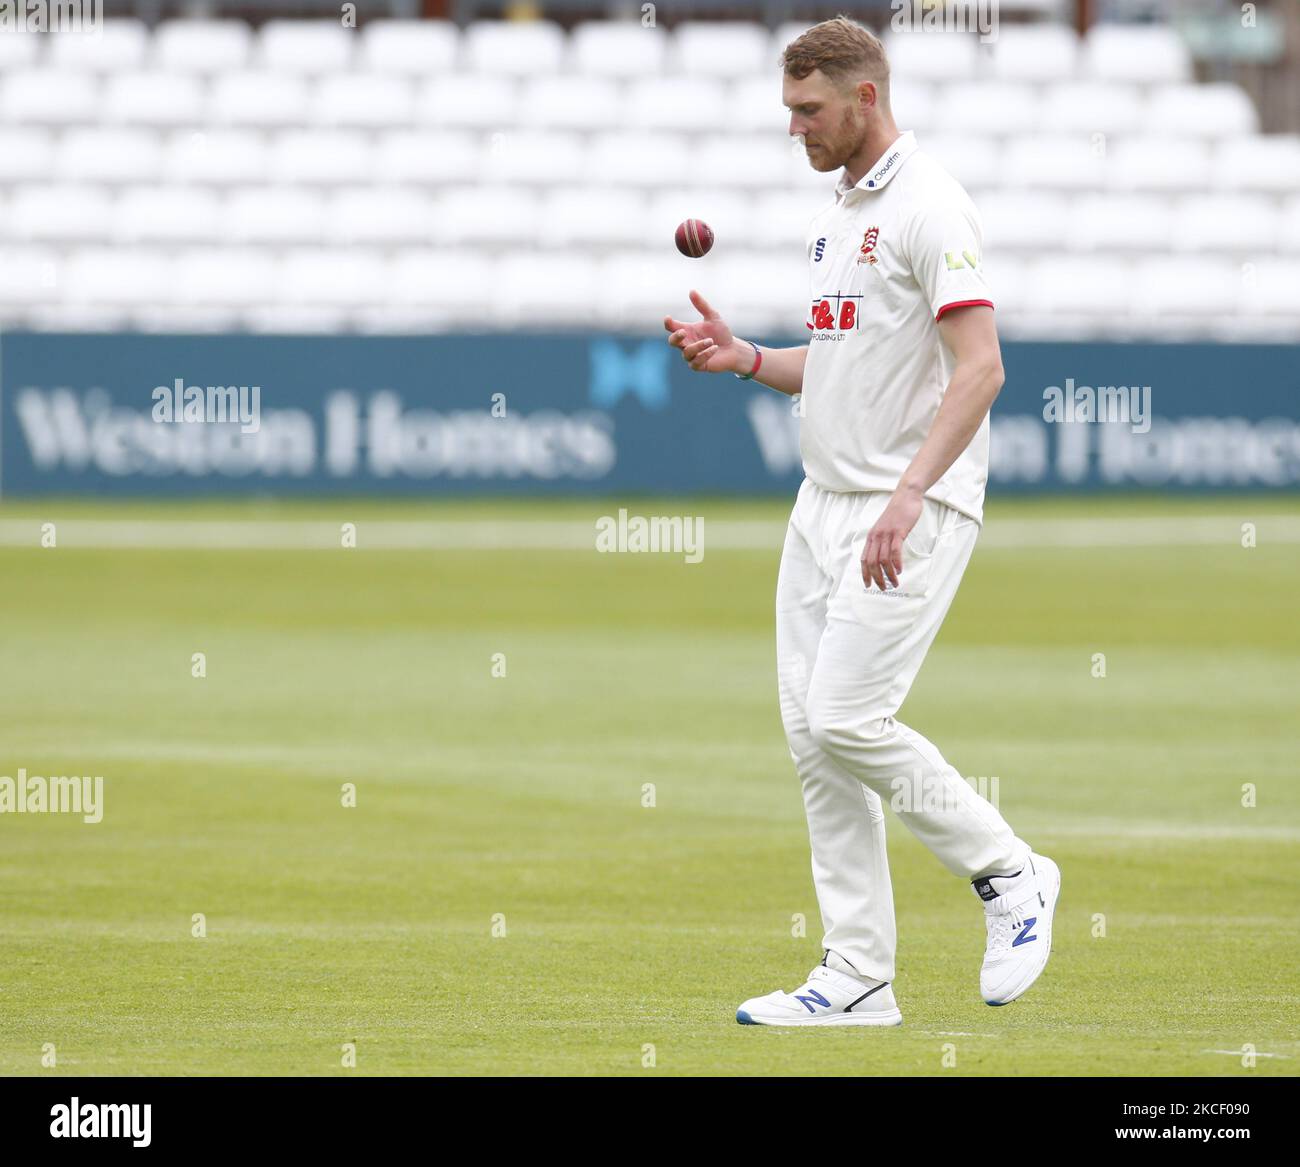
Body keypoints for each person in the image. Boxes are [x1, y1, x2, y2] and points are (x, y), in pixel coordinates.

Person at [663, 16, 1060, 1027]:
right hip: (824, 503)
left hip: (906, 507)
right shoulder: (839, 211)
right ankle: (856, 978)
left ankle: (1009, 874)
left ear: (864, 100)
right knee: (811, 737)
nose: (795, 128)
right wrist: (746, 356)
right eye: (789, 110)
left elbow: (982, 367)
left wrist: (911, 491)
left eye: (808, 110)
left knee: (846, 717)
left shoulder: (931, 206)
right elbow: (837, 364)